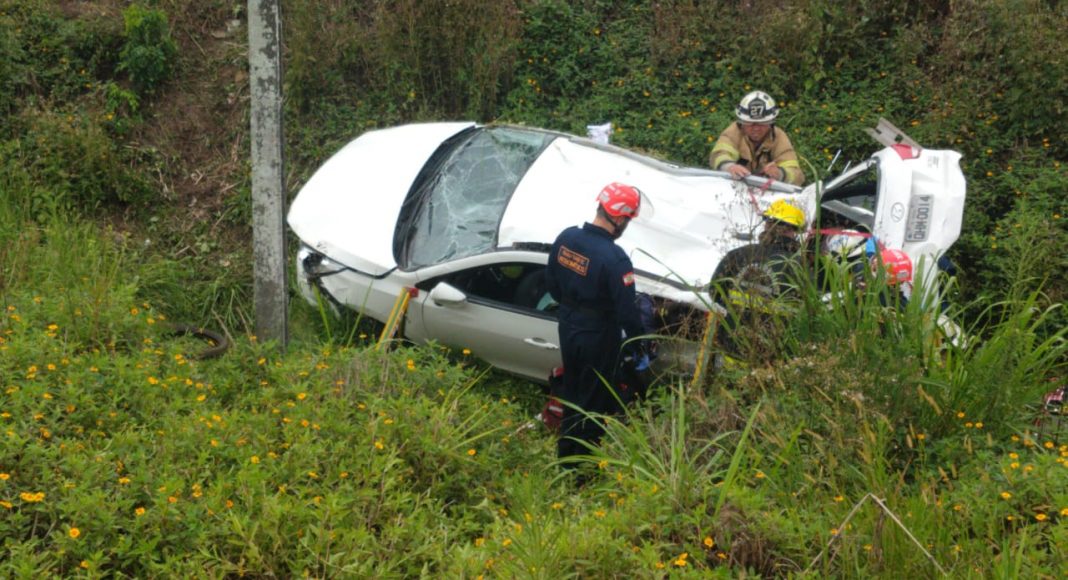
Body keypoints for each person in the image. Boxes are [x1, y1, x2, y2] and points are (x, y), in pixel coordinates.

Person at [545, 182, 649, 463]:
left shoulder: (566, 237)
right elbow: (628, 312)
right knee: (593, 401)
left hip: (568, 326)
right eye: (627, 219)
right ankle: (581, 468)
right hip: (599, 335)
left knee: (572, 389)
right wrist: (640, 345)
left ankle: (565, 456)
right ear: (618, 218)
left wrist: (572, 308)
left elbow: (552, 283)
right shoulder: (615, 259)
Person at [709, 91, 805, 186]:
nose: (756, 128)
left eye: (762, 123)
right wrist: (729, 167)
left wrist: (780, 173)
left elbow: (797, 174)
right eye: (750, 123)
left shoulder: (778, 137)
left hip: (767, 190)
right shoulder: (733, 132)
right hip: (735, 185)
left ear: (770, 123)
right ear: (741, 122)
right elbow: (719, 154)